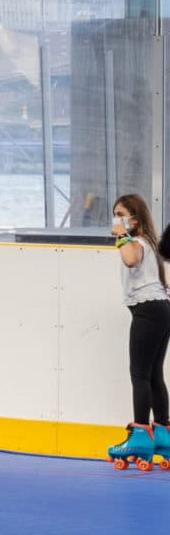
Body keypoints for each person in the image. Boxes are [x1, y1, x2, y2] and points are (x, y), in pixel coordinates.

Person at [107, 193, 170, 469]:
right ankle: (163, 434)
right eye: (115, 214)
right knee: (154, 374)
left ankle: (140, 434)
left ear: (135, 217)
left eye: (122, 214)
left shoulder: (138, 242)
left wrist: (122, 235)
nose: (117, 219)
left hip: (148, 310)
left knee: (140, 375)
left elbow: (131, 259)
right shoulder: (149, 242)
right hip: (160, 309)